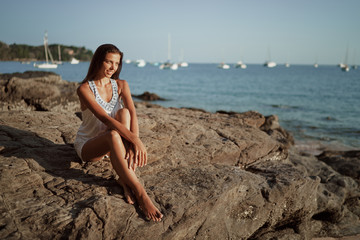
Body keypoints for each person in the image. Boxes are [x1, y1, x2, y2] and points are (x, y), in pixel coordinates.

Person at [74, 44, 163, 222]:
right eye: (108, 61)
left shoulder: (121, 85)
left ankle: (123, 180)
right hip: (89, 146)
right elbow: (105, 119)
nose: (112, 67)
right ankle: (141, 193)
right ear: (98, 61)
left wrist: (133, 143)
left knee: (124, 113)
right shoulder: (85, 89)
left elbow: (132, 113)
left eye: (116, 63)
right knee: (113, 134)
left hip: (114, 144)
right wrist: (135, 141)